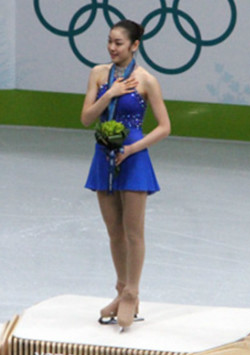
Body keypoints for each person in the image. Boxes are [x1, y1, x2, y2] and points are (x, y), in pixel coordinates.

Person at [81, 19, 171, 331]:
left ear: (134, 45)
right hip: (103, 156)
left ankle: (133, 293)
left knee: (133, 232)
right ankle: (121, 291)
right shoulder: (98, 74)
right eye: (109, 41)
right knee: (114, 232)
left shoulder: (147, 80)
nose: (112, 47)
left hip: (132, 156)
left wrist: (134, 149)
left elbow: (164, 127)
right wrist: (109, 94)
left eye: (119, 43)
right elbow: (85, 118)